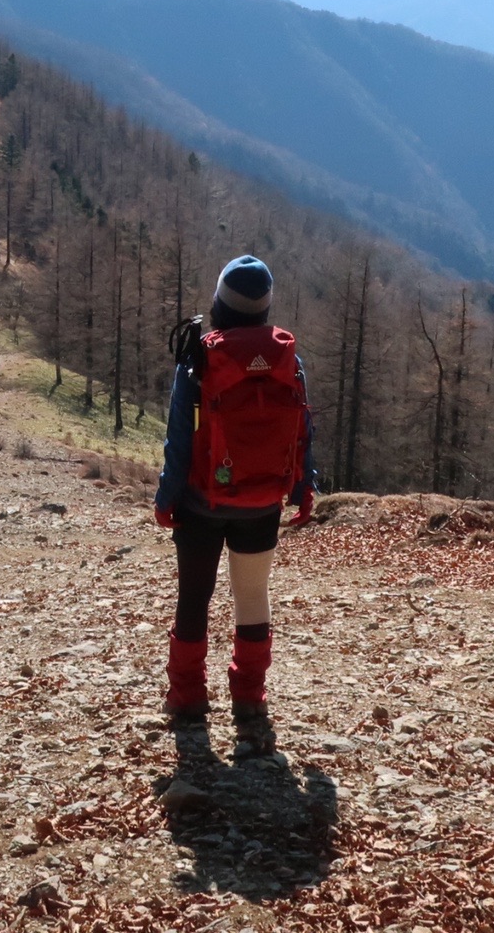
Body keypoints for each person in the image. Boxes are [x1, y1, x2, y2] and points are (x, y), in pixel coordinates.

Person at [153, 254, 317, 734]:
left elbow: (179, 437)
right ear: (265, 310)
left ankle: (186, 697)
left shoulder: (200, 356)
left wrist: (166, 499)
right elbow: (303, 429)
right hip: (264, 501)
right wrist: (304, 488)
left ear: (220, 302)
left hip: (202, 502)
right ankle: (249, 698)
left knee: (194, 597)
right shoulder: (290, 360)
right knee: (252, 595)